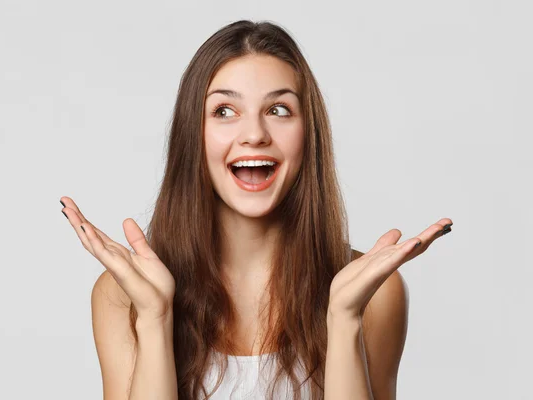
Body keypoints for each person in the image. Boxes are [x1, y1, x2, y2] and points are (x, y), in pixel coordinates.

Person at [60, 20, 452, 400]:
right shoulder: (122, 297)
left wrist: (345, 319)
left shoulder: (375, 293)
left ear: (308, 135)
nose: (254, 134)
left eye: (279, 110)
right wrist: (154, 317)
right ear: (191, 136)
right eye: (224, 111)